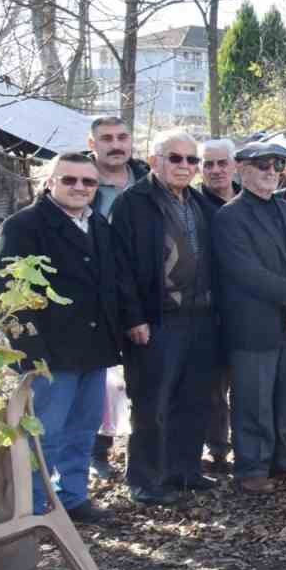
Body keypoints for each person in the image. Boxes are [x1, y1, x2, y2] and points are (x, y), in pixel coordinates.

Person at [0, 153, 130, 524]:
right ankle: (35, 508)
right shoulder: (22, 226)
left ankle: (73, 498)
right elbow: (10, 296)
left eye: (88, 182)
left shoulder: (98, 224)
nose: (80, 188)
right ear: (49, 182)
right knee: (46, 435)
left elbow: (111, 284)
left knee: (83, 430)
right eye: (69, 180)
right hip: (50, 355)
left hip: (94, 349)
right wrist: (31, 356)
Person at [110, 130, 221, 506]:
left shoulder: (199, 202)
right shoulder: (133, 203)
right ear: (155, 160)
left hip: (201, 318)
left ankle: (184, 470)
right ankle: (145, 479)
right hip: (156, 321)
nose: (185, 166)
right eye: (176, 158)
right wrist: (133, 317)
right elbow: (120, 268)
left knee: (193, 399)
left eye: (193, 160)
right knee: (151, 404)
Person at [214, 143, 286, 493]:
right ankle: (251, 467)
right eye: (261, 165)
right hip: (253, 324)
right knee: (252, 399)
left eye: (276, 164)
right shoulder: (228, 217)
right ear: (240, 169)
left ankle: (284, 455)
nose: (270, 171)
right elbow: (245, 271)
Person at [85, 114, 148, 482]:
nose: (116, 144)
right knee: (100, 381)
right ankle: (98, 452)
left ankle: (144, 456)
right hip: (98, 297)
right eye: (106, 137)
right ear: (92, 144)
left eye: (122, 136)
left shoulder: (144, 180)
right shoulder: (79, 181)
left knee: (144, 381)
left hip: (145, 295)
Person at [197, 137, 238, 473]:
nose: (216, 170)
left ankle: (254, 443)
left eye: (222, 163)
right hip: (209, 309)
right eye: (208, 164)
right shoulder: (193, 204)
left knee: (251, 382)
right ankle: (218, 447)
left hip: (249, 307)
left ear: (234, 164)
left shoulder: (250, 198)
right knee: (213, 386)